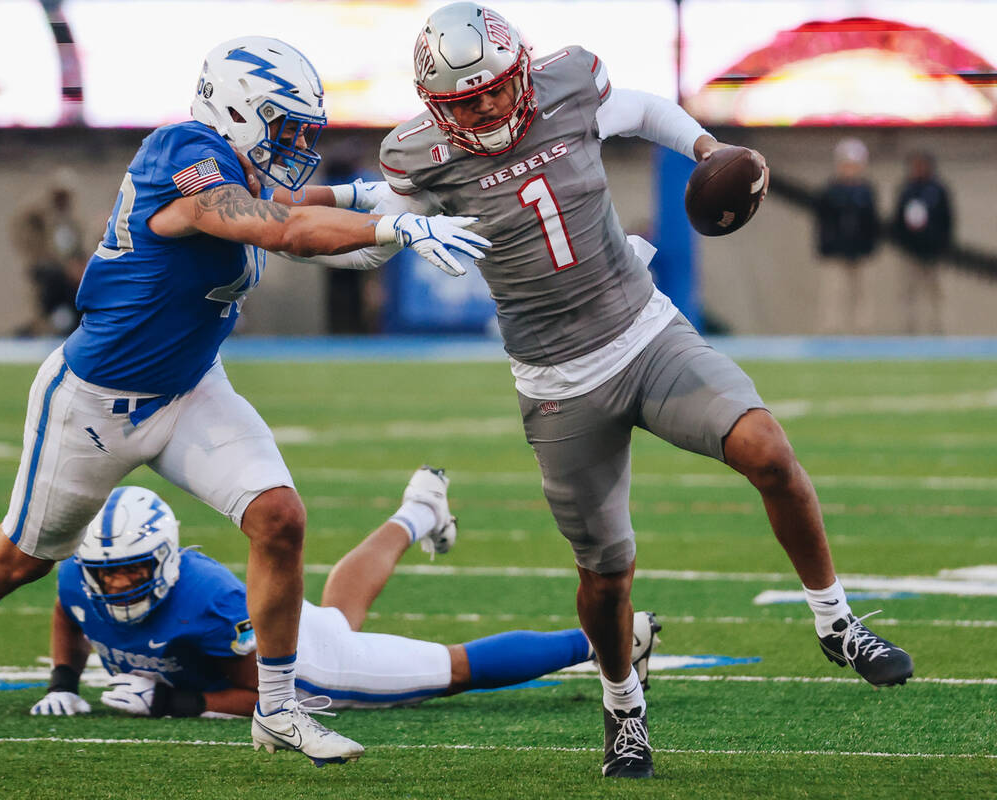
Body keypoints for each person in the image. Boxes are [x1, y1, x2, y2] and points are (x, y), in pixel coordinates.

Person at [0, 35, 489, 769]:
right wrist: (396, 223)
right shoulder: (181, 153)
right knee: (20, 559)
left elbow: (295, 207)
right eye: (283, 125)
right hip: (98, 403)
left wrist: (381, 202)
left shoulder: (230, 168)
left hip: (189, 386)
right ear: (235, 111)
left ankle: (279, 709)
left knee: (279, 518)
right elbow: (282, 227)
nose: (294, 143)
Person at [369, 2, 913, 779]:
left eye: (494, 89)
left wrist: (706, 147)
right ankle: (623, 708)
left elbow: (647, 110)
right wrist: (368, 233)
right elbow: (373, 233)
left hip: (645, 333)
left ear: (519, 70)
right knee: (606, 572)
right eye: (465, 101)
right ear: (437, 107)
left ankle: (837, 623)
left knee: (767, 448)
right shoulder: (419, 157)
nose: (487, 107)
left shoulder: (567, 83)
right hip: (559, 382)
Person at [28, 474, 661, 732]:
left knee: (449, 671)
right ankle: (419, 510)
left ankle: (615, 637)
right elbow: (69, 608)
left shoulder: (210, 605)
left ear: (163, 561)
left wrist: (178, 702)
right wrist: (64, 678)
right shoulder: (79, 581)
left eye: (129, 573)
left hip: (306, 665)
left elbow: (269, 695)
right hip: (288, 627)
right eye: (104, 575)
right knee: (336, 609)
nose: (113, 588)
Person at [9, 168, 88, 337]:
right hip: (50, 272)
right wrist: (66, 268)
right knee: (49, 300)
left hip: (69, 277)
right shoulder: (40, 217)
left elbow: (78, 250)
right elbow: (29, 239)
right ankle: (39, 329)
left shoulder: (73, 223)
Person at [814, 138, 880, 334]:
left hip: (860, 251)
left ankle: (863, 330)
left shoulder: (866, 191)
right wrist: (826, 246)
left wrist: (869, 246)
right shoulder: (831, 191)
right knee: (833, 292)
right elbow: (823, 222)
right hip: (835, 251)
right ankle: (831, 329)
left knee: (863, 294)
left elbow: (872, 222)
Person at [892, 151, 953, 334]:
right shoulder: (906, 191)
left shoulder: (938, 190)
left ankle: (940, 328)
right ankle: (909, 330)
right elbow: (898, 221)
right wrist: (905, 244)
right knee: (908, 292)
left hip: (934, 250)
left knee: (937, 292)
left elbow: (947, 219)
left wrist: (942, 244)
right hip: (911, 251)